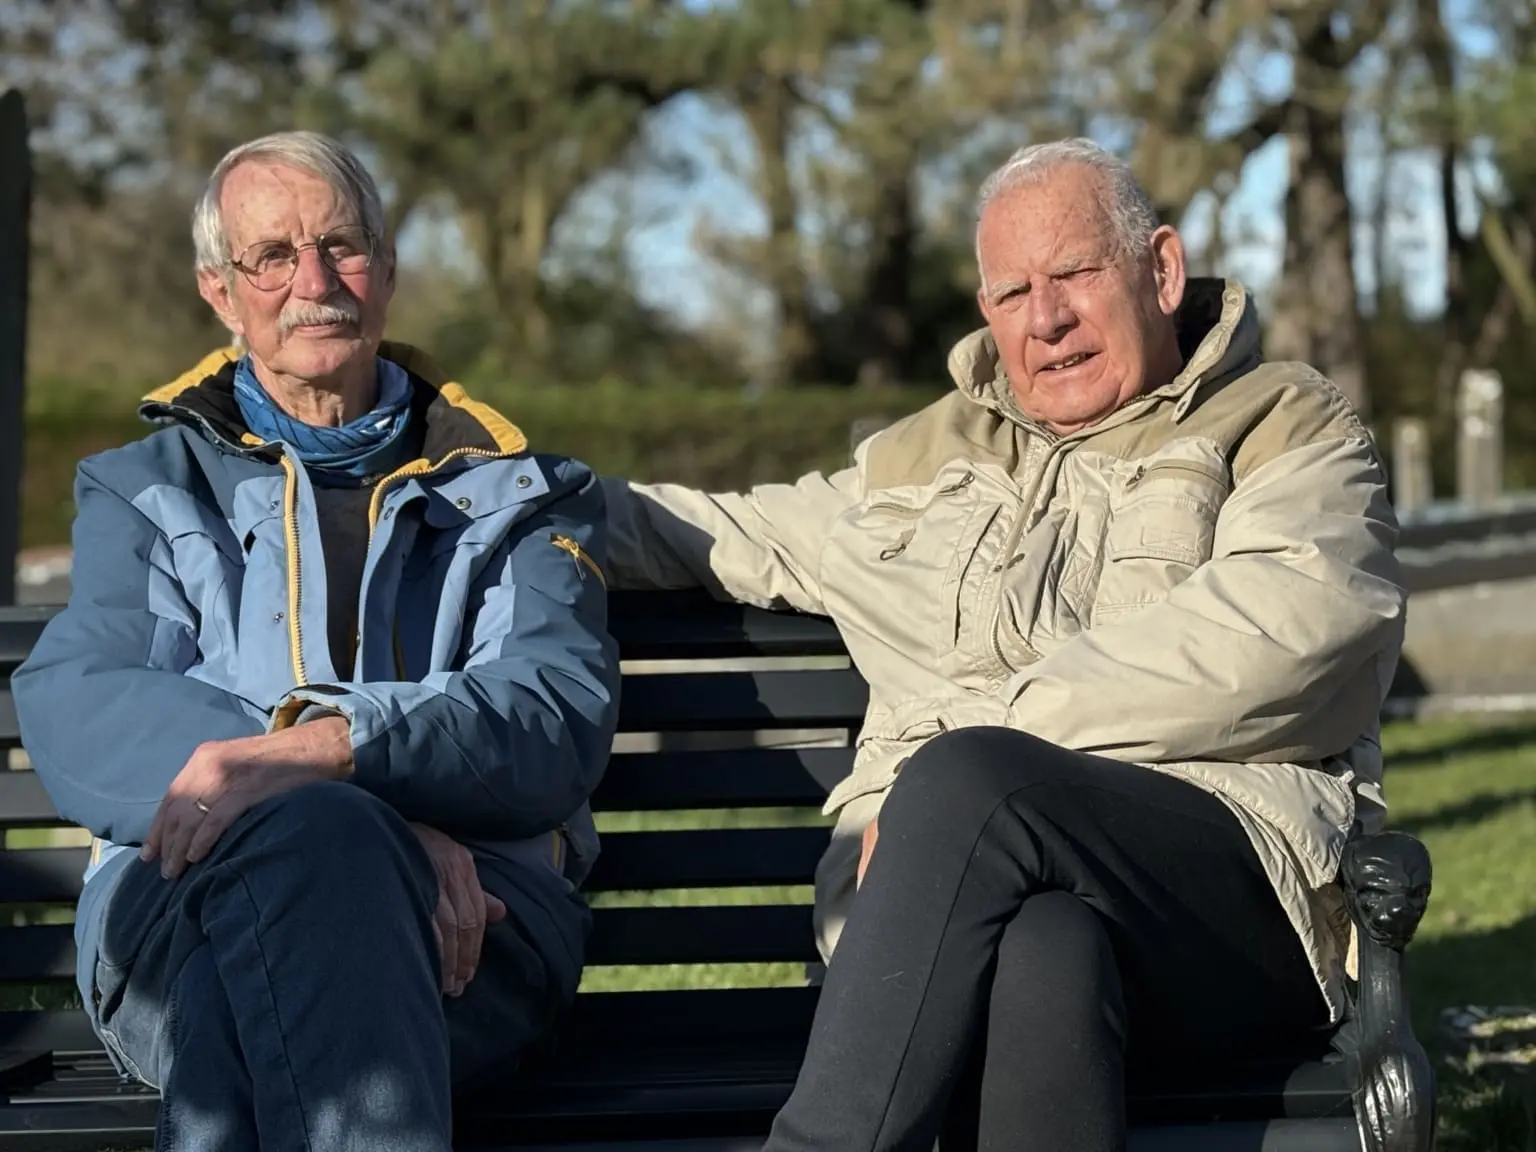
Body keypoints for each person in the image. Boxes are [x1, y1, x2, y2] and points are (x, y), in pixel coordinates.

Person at [601, 136, 1406, 1150]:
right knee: (1043, 949)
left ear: (1159, 270)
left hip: (1229, 898)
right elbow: (717, 531)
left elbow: (1284, 632)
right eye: (1013, 292)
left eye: (1074, 274)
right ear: (985, 311)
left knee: (973, 780)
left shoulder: (1287, 425)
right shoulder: (915, 461)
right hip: (968, 925)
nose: (1047, 319)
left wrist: (972, 771)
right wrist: (494, 492)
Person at [13, 130, 621, 1152]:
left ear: (387, 269)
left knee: (240, 1012)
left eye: (341, 246)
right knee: (316, 866)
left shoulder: (522, 494)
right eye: (272, 256)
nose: (314, 281)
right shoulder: (143, 485)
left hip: (476, 922)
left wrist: (334, 754)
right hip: (176, 904)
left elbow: (550, 713)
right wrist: (351, 808)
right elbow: (85, 694)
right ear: (220, 290)